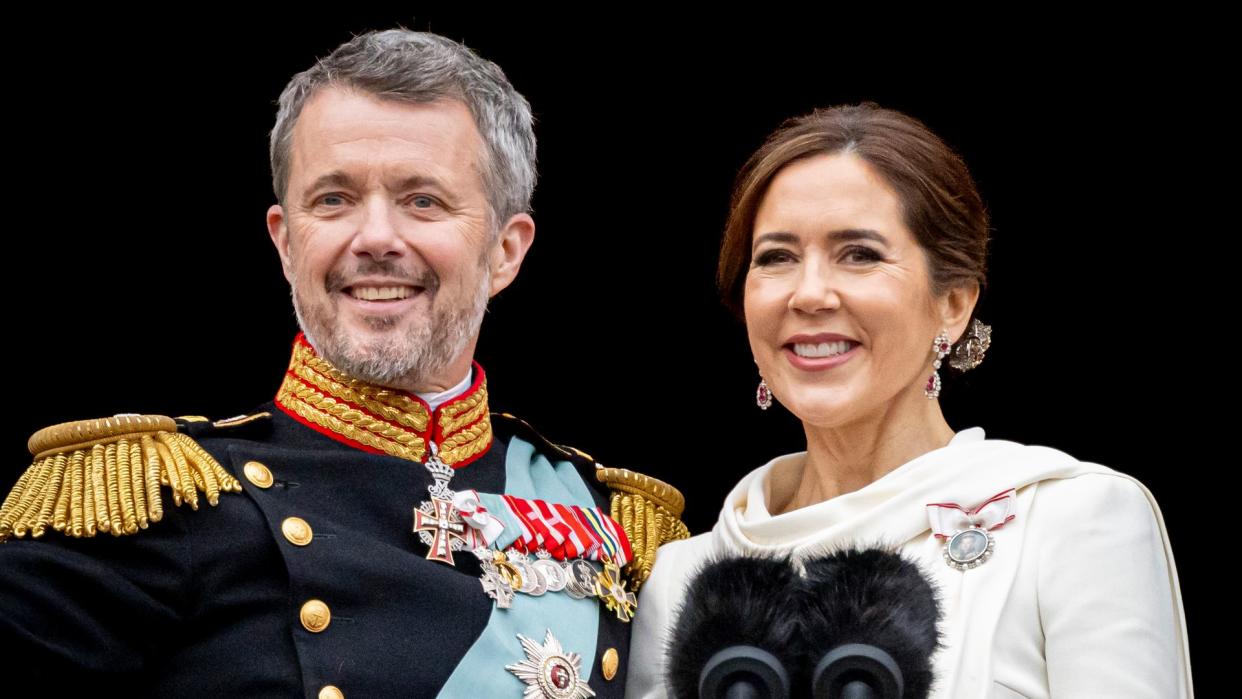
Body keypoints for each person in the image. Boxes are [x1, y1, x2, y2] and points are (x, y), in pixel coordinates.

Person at [0, 29, 687, 697]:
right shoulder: (159, 501)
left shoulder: (623, 527)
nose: (377, 238)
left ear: (506, 250)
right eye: (334, 200)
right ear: (286, 242)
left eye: (423, 200)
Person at [625, 104, 1192, 698]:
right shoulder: (684, 577)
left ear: (953, 303)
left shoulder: (1071, 522)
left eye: (860, 254)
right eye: (776, 258)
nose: (809, 293)